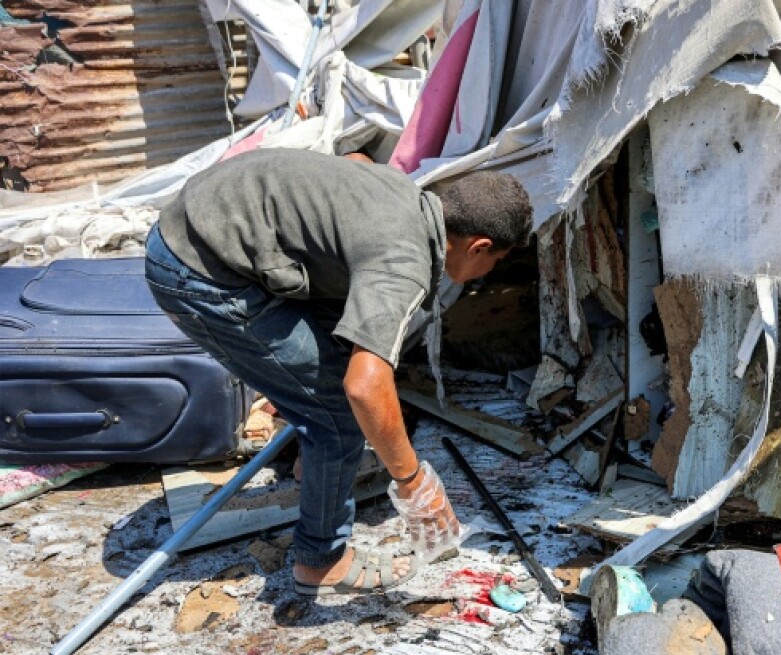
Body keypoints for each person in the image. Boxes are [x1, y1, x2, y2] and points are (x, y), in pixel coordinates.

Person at [144, 148, 532, 595]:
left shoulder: (402, 191)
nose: (490, 271)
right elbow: (365, 388)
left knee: (334, 351)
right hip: (199, 269)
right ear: (478, 246)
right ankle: (321, 560)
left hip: (196, 218)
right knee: (337, 416)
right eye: (496, 262)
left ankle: (312, 461)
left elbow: (356, 158)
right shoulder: (403, 266)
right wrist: (412, 481)